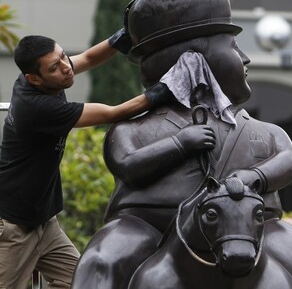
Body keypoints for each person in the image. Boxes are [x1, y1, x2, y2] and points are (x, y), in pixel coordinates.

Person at [72, 0, 292, 289]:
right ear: (192, 61)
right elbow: (127, 163)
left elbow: (288, 160)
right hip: (148, 224)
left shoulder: (262, 131)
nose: (246, 60)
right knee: (100, 263)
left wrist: (254, 177)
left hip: (251, 227)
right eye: (234, 48)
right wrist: (179, 143)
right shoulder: (133, 131)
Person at [0, 28, 171, 289]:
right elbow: (114, 112)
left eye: (63, 57)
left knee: (83, 283)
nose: (66, 68)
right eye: (55, 67)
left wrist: (120, 38)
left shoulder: (49, 76)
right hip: (13, 225)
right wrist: (164, 90)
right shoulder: (37, 108)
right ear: (34, 79)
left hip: (44, 222)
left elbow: (88, 59)